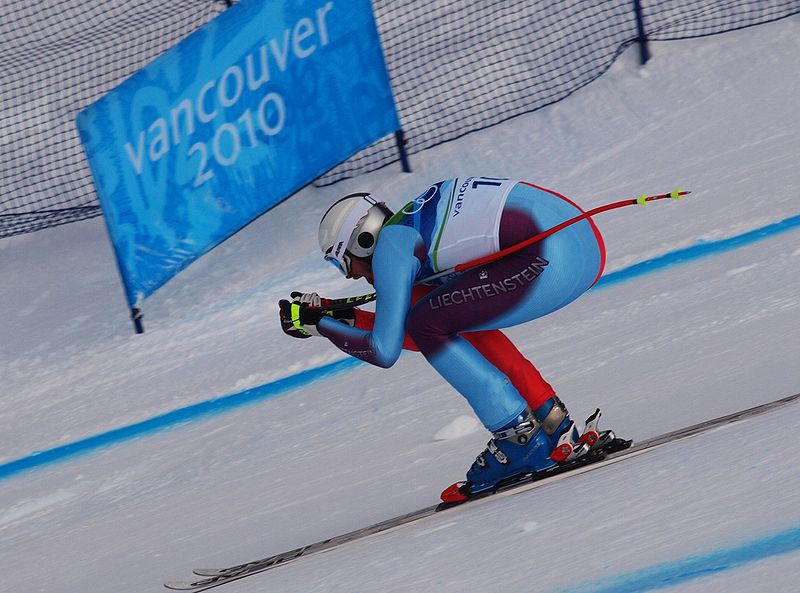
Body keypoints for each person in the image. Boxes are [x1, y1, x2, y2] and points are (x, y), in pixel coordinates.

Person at [279, 177, 611, 499]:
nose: (354, 276)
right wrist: (337, 318)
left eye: (346, 265)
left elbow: (384, 349)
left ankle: (518, 437)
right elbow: (424, 332)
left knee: (430, 320)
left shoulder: (392, 247)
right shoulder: (412, 227)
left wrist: (321, 325)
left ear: (364, 241)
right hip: (583, 247)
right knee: (442, 316)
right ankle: (551, 421)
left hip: (554, 258)